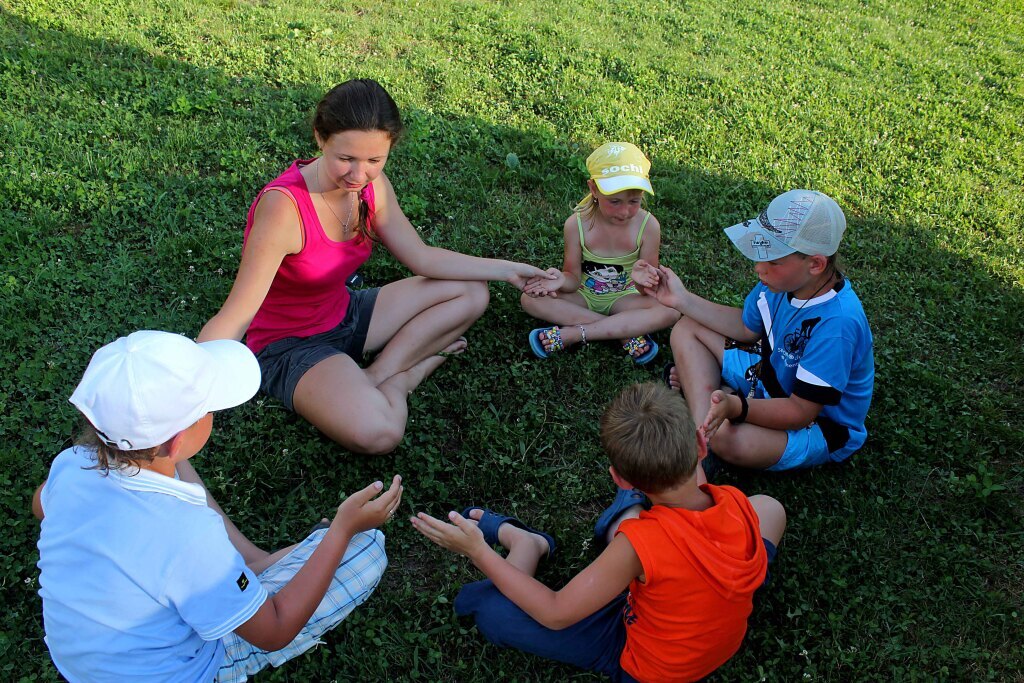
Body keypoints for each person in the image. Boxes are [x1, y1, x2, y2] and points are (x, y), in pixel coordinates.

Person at [198, 78, 553, 454]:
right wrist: (183, 390)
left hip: (346, 312)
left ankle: (377, 376)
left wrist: (508, 270)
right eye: (346, 159)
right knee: (379, 434)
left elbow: (421, 257)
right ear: (320, 137)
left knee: (470, 290)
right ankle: (405, 377)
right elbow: (237, 315)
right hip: (290, 345)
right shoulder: (284, 208)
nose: (358, 175)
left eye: (373, 160)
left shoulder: (372, 186)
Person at [33, 331, 403, 682]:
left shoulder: (72, 464)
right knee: (366, 548)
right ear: (178, 439)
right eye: (208, 409)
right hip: (175, 672)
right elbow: (274, 631)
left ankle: (253, 573)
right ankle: (279, 564)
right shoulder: (188, 535)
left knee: (184, 508)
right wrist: (342, 529)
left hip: (85, 664)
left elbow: (41, 505)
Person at [411, 382, 785, 683]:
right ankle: (633, 510)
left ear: (619, 478)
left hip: (645, 664)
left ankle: (526, 543)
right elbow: (699, 488)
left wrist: (478, 550)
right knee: (769, 507)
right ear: (702, 446)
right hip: (711, 631)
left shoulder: (637, 545)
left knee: (493, 612)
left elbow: (556, 613)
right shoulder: (733, 502)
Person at [651, 189, 874, 472]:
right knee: (687, 327)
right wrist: (682, 300)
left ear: (815, 264)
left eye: (773, 260)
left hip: (819, 423)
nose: (758, 267)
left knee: (729, 438)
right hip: (769, 380)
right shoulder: (782, 283)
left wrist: (738, 408)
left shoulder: (837, 325)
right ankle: (702, 429)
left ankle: (710, 419)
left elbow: (800, 412)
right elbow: (746, 328)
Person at [521, 142, 680, 365]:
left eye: (634, 201)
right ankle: (623, 332)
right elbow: (573, 279)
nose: (624, 211)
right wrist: (559, 281)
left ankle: (574, 334)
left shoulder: (648, 226)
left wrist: (643, 281)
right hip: (584, 295)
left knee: (671, 309)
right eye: (614, 201)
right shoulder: (576, 225)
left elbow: (648, 290)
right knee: (530, 299)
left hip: (626, 299)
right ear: (593, 189)